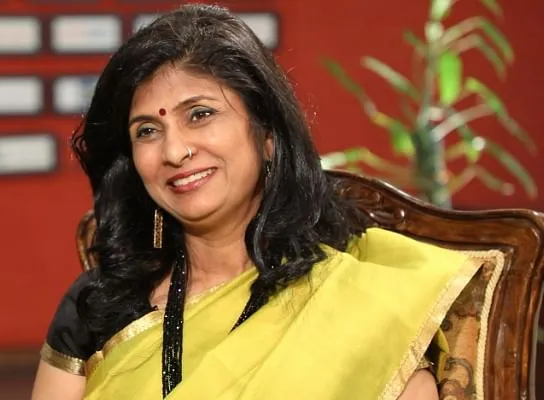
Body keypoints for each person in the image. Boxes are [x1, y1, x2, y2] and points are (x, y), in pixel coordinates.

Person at [31, 4, 481, 399]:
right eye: (147, 131)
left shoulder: (354, 302)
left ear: (267, 135)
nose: (174, 151)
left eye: (200, 114)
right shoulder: (101, 303)